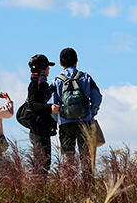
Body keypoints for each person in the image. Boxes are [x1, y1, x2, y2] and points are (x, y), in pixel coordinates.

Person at [52, 47, 102, 180]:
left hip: (65, 124)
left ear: (60, 63)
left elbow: (52, 104)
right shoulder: (85, 77)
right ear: (76, 61)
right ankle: (88, 189)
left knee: (68, 161)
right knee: (86, 158)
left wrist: (58, 119)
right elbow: (97, 97)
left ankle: (70, 189)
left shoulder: (57, 80)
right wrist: (91, 113)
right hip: (84, 122)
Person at [26, 54, 59, 175]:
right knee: (42, 164)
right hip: (38, 129)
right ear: (41, 69)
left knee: (44, 162)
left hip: (41, 128)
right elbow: (33, 105)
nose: (49, 69)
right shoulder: (36, 83)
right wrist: (49, 108)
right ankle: (37, 190)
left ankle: (39, 189)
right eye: (47, 67)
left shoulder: (40, 82)